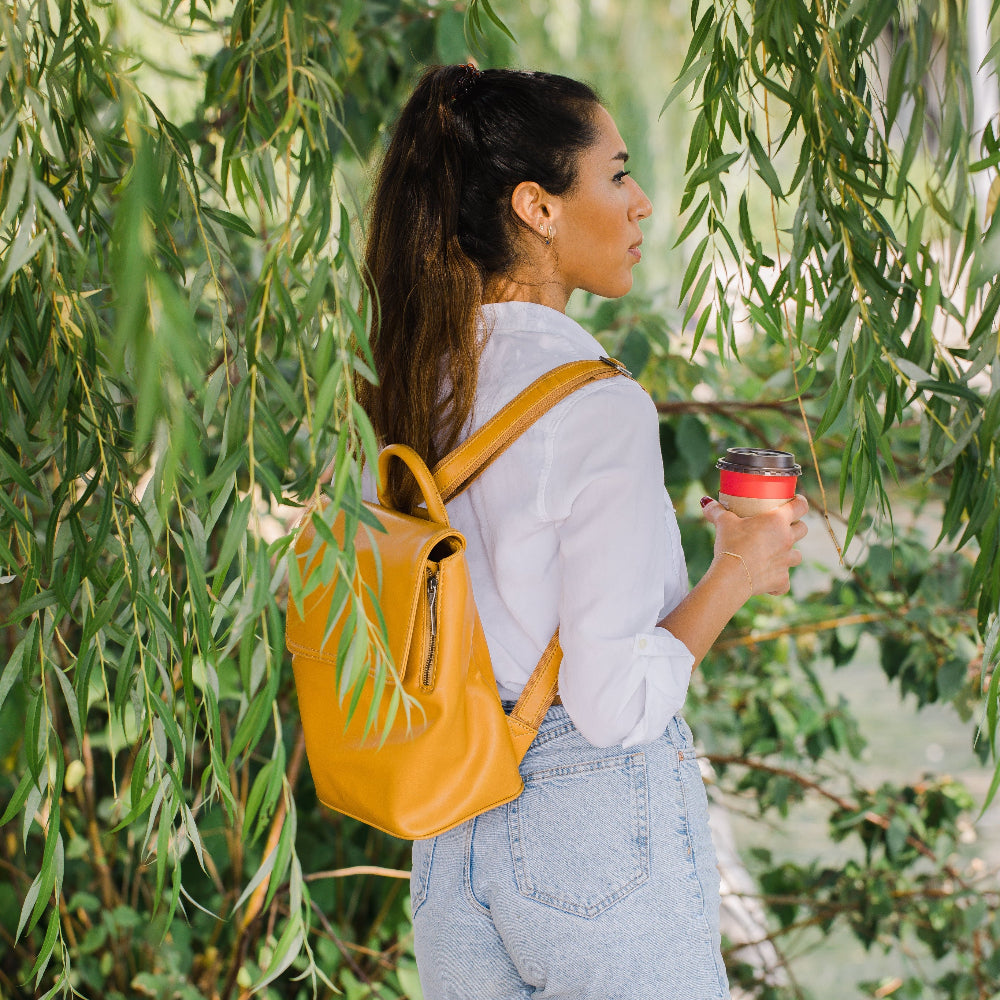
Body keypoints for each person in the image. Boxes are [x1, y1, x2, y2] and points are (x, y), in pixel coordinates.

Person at [358, 63, 808, 1000]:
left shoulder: (414, 377)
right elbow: (610, 704)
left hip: (453, 817)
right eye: (615, 174)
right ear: (537, 207)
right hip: (592, 823)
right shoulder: (599, 406)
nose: (642, 203)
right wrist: (736, 571)